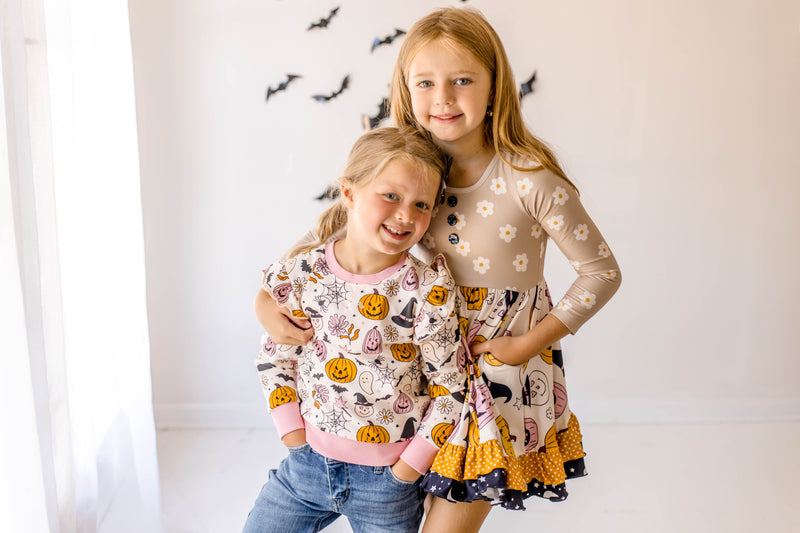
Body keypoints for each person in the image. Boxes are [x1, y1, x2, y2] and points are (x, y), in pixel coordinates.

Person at [256, 6, 621, 532]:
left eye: (462, 80)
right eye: (425, 83)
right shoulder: (407, 171)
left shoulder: (529, 180)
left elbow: (601, 273)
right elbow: (326, 242)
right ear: (406, 92)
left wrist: (526, 344)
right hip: (409, 384)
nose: (443, 98)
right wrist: (265, 303)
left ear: (495, 87)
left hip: (490, 382)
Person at [242, 126, 469, 533]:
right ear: (348, 193)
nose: (406, 215)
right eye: (391, 196)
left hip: (388, 485)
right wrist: (293, 435)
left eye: (421, 204)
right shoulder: (304, 272)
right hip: (306, 467)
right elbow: (275, 356)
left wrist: (407, 468)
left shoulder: (428, 290)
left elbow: (451, 388)